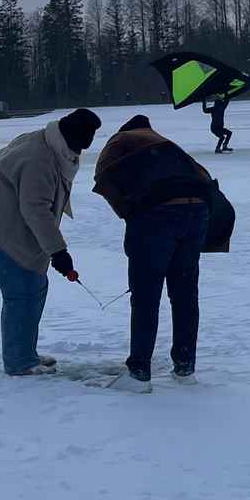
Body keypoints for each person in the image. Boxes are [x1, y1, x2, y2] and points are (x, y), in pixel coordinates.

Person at [0, 108, 101, 376]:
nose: (79, 155)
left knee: (33, 286)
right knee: (24, 288)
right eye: (78, 147)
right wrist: (58, 252)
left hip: (8, 226)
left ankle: (25, 353)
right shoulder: (38, 159)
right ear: (69, 137)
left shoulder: (46, 141)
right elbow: (35, 209)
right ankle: (19, 362)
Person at [93, 115, 221, 385]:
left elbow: (103, 177)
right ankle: (185, 366)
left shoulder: (120, 140)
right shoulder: (166, 145)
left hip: (157, 214)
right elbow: (203, 176)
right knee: (185, 293)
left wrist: (128, 213)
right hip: (198, 209)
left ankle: (139, 372)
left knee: (146, 296)